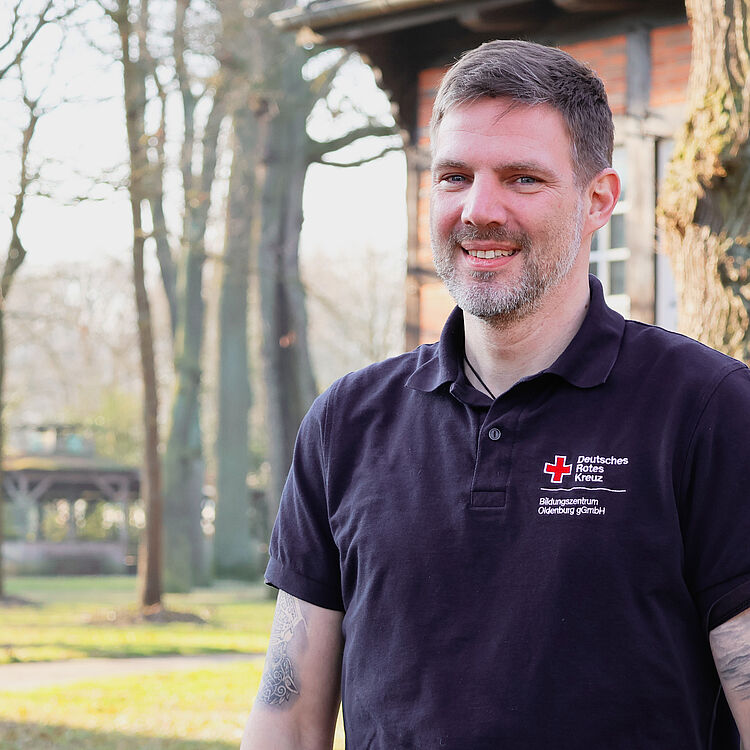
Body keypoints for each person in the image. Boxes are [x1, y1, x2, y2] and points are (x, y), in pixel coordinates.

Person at [241, 40, 750, 749]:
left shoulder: (710, 411)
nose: (479, 209)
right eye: (455, 176)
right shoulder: (346, 424)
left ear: (598, 199)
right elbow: (289, 719)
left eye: (522, 178)